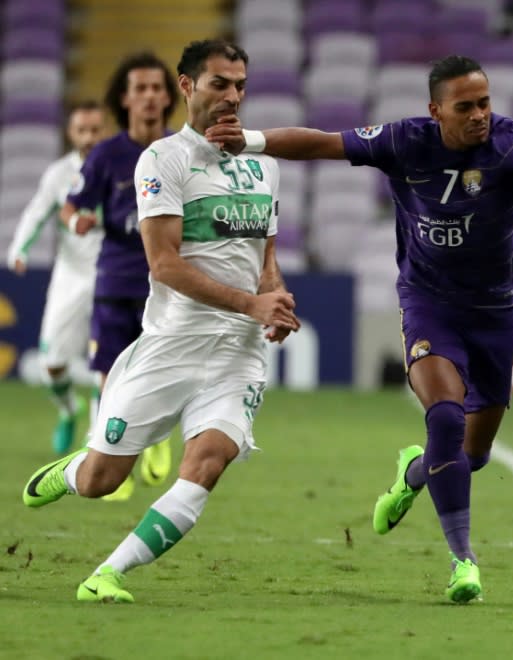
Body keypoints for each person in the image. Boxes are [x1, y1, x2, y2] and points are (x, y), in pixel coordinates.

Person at [205, 55, 513, 603]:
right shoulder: (404, 141)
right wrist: (249, 141)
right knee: (444, 415)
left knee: (472, 455)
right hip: (428, 303)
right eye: (465, 107)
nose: (479, 116)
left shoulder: (511, 144)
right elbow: (322, 143)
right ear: (435, 110)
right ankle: (462, 561)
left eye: (485, 103)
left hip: (496, 312)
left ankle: (413, 473)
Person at [21, 38, 300, 603]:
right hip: (173, 343)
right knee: (103, 481)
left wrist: (275, 297)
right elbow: (165, 264)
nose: (232, 96)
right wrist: (250, 302)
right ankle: (74, 470)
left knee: (208, 461)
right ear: (188, 86)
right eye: (220, 83)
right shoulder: (163, 160)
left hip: (237, 351)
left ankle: (108, 574)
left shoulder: (263, 165)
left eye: (241, 85)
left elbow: (265, 258)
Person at [61, 52, 178, 500]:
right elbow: (73, 204)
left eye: (156, 88)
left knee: (163, 372)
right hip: (114, 281)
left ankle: (159, 436)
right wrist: (76, 223)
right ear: (124, 99)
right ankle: (111, 468)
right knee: (109, 377)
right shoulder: (107, 155)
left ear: (168, 96)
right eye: (140, 89)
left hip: (166, 286)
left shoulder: (179, 151)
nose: (149, 97)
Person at [6, 101, 105, 454]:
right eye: (83, 130)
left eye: (96, 129)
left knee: (105, 363)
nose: (90, 137)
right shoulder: (59, 174)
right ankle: (67, 411)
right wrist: (19, 249)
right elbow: (36, 212)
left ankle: (98, 440)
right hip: (71, 275)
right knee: (51, 364)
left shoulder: (117, 167)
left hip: (111, 274)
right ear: (71, 132)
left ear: (103, 128)